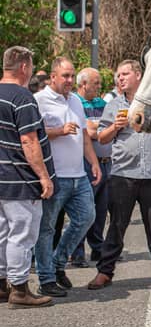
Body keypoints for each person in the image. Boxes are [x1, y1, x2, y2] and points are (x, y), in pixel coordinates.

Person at [88, 60, 151, 289]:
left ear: (138, 75)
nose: (120, 79)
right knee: (117, 225)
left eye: (125, 74)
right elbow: (101, 138)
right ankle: (105, 272)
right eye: (118, 75)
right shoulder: (114, 105)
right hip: (123, 174)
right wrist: (115, 126)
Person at [34, 58, 101, 297]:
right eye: (65, 76)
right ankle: (46, 278)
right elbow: (34, 136)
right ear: (53, 77)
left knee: (87, 217)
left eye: (72, 76)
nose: (70, 81)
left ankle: (58, 262)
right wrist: (59, 131)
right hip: (55, 176)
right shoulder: (40, 100)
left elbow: (84, 136)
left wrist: (93, 162)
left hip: (78, 174)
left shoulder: (75, 100)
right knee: (47, 228)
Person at [0, 46, 55, 308]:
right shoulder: (23, 97)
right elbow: (28, 140)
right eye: (31, 66)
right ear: (24, 67)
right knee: (22, 234)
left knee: (1, 234)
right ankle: (20, 289)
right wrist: (44, 177)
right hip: (20, 179)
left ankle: (2, 284)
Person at [70, 68, 112, 267]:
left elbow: (108, 126)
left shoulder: (101, 103)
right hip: (85, 163)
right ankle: (77, 251)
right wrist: (99, 129)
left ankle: (97, 247)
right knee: (84, 209)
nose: (99, 86)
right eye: (95, 83)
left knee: (101, 209)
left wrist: (99, 129)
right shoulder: (75, 102)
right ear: (83, 84)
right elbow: (88, 131)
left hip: (105, 163)